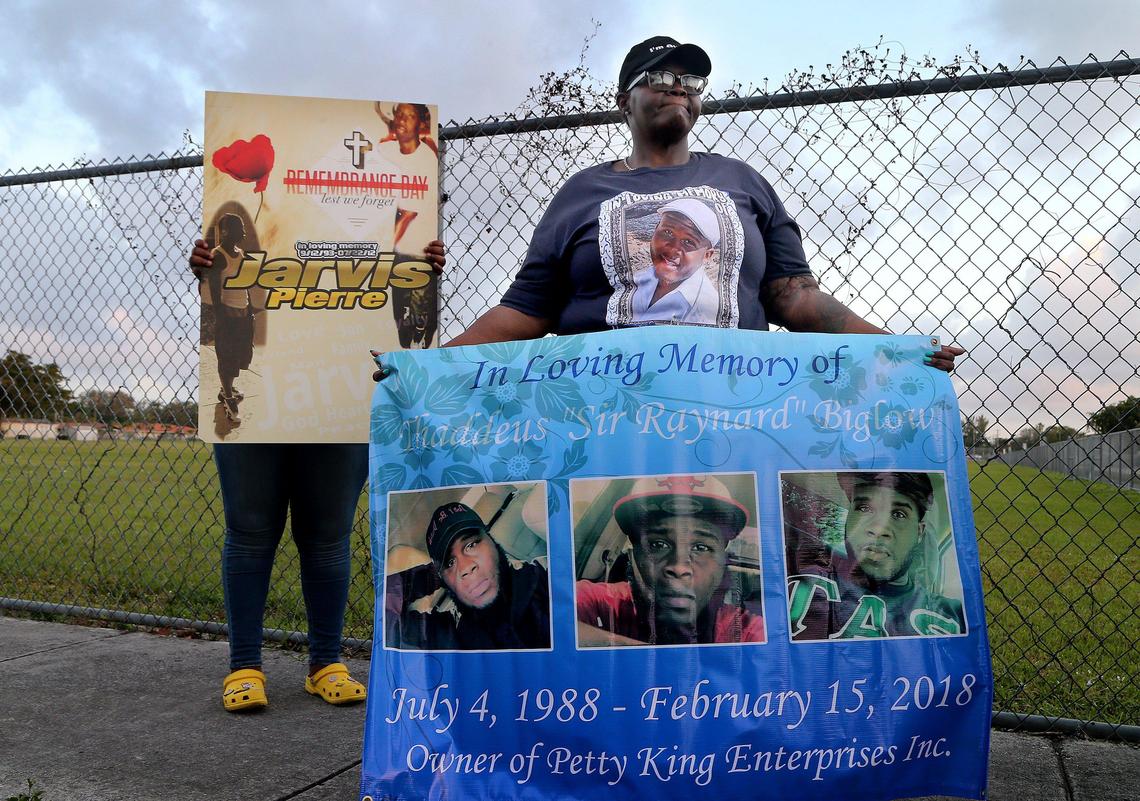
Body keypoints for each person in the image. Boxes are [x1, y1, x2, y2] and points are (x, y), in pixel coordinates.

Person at [428, 35, 964, 374]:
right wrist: (429, 364)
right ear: (624, 100)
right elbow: (527, 308)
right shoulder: (580, 194)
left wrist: (896, 347)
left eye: (690, 80)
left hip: (733, 404)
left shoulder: (743, 181)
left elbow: (796, 300)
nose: (678, 88)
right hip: (601, 411)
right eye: (660, 77)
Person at [189, 237, 446, 711]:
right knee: (248, 532)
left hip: (340, 392)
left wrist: (416, 264)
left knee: (327, 536)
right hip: (256, 391)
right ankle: (244, 665)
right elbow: (237, 286)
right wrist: (211, 266)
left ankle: (325, 661)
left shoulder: (378, 196)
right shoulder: (257, 215)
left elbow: (395, 287)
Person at [576, 475, 765, 647]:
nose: (679, 567)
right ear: (634, 556)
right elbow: (552, 617)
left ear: (721, 562)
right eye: (658, 545)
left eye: (701, 548)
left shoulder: (746, 630)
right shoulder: (600, 602)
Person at [786, 471, 966, 640]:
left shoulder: (952, 614)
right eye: (864, 508)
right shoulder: (796, 590)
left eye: (898, 514)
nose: (879, 529)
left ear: (920, 532)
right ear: (849, 521)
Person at [395, 501, 551, 651]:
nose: (466, 567)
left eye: (471, 545)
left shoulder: (543, 575)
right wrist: (426, 579)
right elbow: (387, 623)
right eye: (450, 563)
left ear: (492, 540)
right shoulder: (450, 635)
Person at [200, 213, 257, 422]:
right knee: (227, 358)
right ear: (225, 231)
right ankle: (228, 398)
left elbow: (243, 284)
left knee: (241, 357)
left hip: (243, 315)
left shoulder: (239, 253)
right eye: (238, 228)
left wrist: (250, 309)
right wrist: (222, 318)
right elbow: (215, 292)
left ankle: (227, 389)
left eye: (242, 228)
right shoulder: (218, 256)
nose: (242, 232)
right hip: (229, 318)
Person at [631, 198, 721, 324]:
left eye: (688, 242)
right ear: (655, 230)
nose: (673, 248)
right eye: (667, 232)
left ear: (707, 255)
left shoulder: (705, 313)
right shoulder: (638, 279)